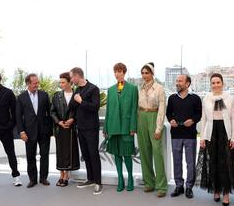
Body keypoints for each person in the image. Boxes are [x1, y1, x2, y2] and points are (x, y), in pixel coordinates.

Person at [196, 73, 234, 206]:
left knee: (226, 163)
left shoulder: (229, 98)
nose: (216, 85)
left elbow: (233, 119)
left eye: (218, 82)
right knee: (213, 162)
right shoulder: (206, 98)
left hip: (225, 132)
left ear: (223, 83)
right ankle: (216, 189)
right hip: (211, 132)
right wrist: (202, 138)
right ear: (210, 84)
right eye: (213, 83)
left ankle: (226, 193)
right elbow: (204, 119)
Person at [166, 74, 202, 198]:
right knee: (177, 161)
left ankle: (189, 187)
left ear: (187, 84)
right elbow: (168, 113)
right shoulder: (171, 98)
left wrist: (192, 120)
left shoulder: (195, 98)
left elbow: (199, 114)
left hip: (190, 135)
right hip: (175, 134)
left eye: (180, 81)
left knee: (190, 162)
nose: (177, 83)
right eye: (177, 81)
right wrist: (171, 120)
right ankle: (179, 186)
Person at [104, 62, 138, 192]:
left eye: (119, 71)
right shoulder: (111, 90)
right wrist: (106, 128)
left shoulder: (133, 89)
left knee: (127, 154)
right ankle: (120, 179)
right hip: (113, 127)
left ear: (124, 72)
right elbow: (108, 110)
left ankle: (130, 178)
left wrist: (133, 127)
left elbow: (134, 109)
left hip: (126, 127)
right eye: (115, 71)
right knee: (117, 154)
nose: (117, 74)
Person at [69, 67, 103, 195]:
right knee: (86, 154)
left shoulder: (93, 89)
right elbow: (72, 106)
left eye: (72, 77)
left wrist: (81, 101)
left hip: (91, 128)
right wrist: (75, 99)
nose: (71, 80)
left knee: (93, 155)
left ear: (78, 76)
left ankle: (98, 183)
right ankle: (90, 179)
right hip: (80, 127)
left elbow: (95, 107)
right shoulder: (77, 89)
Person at [16, 73, 52, 188]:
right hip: (29, 132)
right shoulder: (21, 98)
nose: (37, 84)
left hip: (44, 131)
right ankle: (32, 179)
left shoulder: (44, 95)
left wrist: (50, 129)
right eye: (35, 83)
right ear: (28, 83)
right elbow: (18, 116)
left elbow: (50, 113)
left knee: (44, 155)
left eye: (37, 82)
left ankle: (43, 178)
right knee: (30, 156)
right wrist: (21, 131)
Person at [137, 62, 168, 197]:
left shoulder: (159, 88)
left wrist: (158, 128)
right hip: (141, 117)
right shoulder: (140, 88)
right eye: (143, 73)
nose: (144, 75)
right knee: (144, 152)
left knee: (157, 152)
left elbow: (162, 109)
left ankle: (162, 186)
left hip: (154, 116)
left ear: (152, 73)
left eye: (147, 73)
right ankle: (149, 183)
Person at [50, 72, 79, 187]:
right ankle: (61, 174)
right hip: (60, 128)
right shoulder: (57, 96)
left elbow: (79, 111)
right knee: (60, 152)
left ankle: (66, 175)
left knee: (70, 152)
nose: (61, 84)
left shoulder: (77, 94)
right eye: (60, 82)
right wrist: (59, 122)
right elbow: (52, 111)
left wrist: (73, 119)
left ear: (70, 82)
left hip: (72, 129)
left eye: (63, 82)